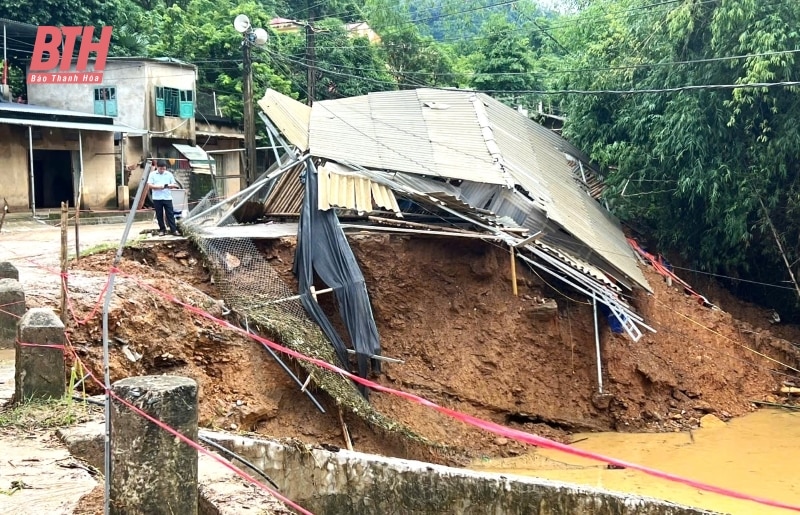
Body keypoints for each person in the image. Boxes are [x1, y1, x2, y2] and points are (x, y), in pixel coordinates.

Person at [148, 159, 180, 236]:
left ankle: (174, 230)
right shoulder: (152, 174)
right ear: (157, 167)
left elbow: (174, 184)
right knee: (159, 215)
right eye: (160, 168)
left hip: (167, 197)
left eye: (164, 168)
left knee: (170, 214)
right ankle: (162, 230)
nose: (162, 170)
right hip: (157, 198)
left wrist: (170, 186)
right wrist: (159, 187)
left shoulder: (169, 174)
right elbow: (149, 185)